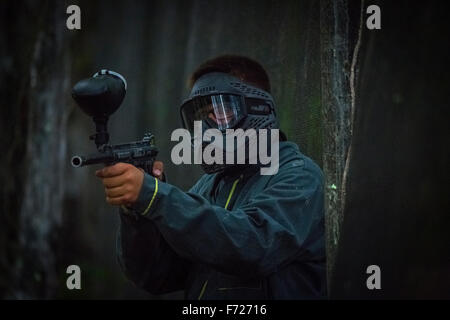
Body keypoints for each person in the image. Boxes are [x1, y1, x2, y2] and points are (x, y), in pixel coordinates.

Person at [95, 55, 327, 299]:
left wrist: (155, 196)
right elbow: (156, 276)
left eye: (221, 111)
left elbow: (252, 247)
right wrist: (140, 211)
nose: (206, 126)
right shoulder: (210, 185)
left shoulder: (299, 176)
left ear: (259, 108)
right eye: (202, 115)